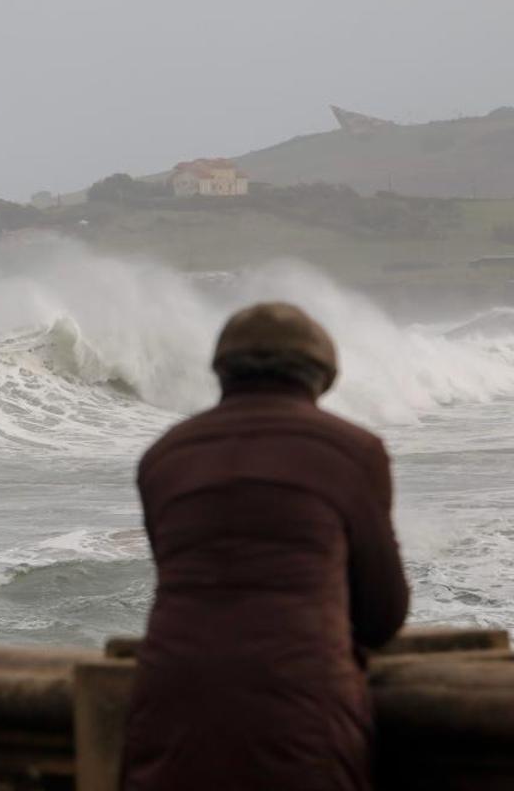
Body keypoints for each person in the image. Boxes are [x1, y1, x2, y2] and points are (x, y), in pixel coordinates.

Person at [121, 302, 408, 791]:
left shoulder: (164, 456)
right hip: (303, 713)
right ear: (321, 376)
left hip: (166, 708)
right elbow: (382, 613)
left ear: (222, 372)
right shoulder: (353, 451)